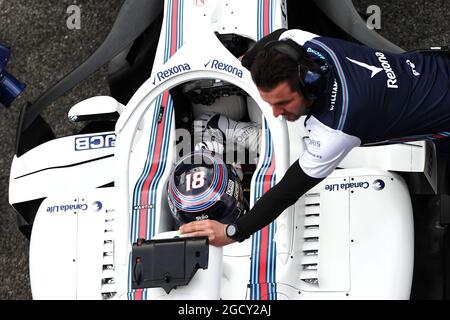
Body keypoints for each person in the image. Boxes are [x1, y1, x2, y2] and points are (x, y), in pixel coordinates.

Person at [179, 28, 450, 246]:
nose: (275, 113)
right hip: (437, 66)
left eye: (283, 103)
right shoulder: (308, 45)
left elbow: (286, 192)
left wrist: (233, 231)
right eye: (271, 103)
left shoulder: (338, 127)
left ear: (308, 83)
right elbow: (279, 36)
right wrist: (248, 62)